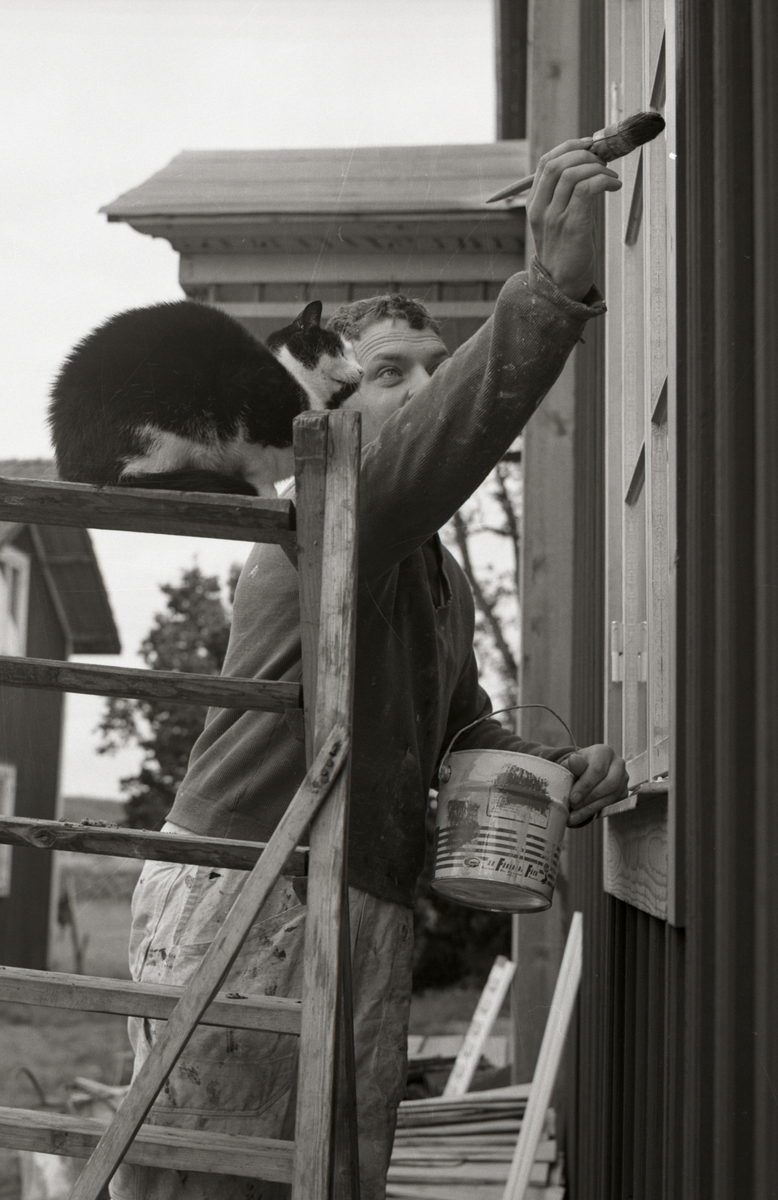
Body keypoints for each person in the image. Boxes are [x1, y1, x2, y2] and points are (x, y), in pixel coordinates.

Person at [111, 139, 629, 1200]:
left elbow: (455, 732)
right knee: (212, 1189)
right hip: (249, 892)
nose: (421, 388)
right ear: (331, 410)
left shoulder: (419, 562)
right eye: (387, 372)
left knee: (333, 1175)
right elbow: (442, 445)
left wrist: (542, 767)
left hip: (353, 892)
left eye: (433, 367)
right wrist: (546, 291)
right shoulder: (324, 518)